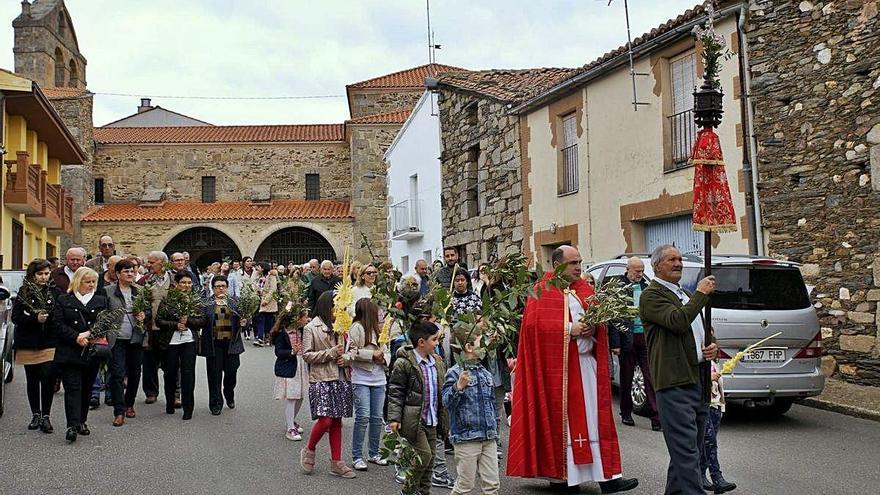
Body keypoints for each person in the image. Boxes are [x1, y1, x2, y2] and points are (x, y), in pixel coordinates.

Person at [507, 245, 637, 493]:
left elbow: (598, 321)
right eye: (573, 263)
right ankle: (563, 478)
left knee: (594, 421)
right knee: (564, 423)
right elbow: (534, 330)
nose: (579, 267)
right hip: (558, 371)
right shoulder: (541, 291)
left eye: (580, 262)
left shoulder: (585, 289)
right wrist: (569, 330)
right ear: (557, 266)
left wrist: (594, 328)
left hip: (587, 367)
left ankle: (607, 477)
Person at [639, 244, 719, 495]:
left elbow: (699, 327)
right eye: (672, 259)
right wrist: (701, 294)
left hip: (696, 378)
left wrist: (711, 346)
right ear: (656, 266)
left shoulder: (682, 293)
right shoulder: (652, 295)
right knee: (685, 451)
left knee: (688, 451)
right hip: (674, 382)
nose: (679, 263)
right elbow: (677, 321)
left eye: (680, 259)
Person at [387, 319, 448, 495]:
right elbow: (396, 391)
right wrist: (394, 418)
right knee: (424, 456)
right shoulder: (404, 362)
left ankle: (424, 491)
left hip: (432, 418)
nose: (437, 344)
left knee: (429, 462)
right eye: (434, 340)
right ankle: (407, 491)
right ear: (421, 342)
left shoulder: (437, 361)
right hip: (414, 420)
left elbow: (441, 388)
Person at [52, 267, 112, 443]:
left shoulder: (100, 300)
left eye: (93, 282)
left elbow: (105, 322)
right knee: (72, 388)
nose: (91, 285)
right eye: (88, 282)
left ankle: (82, 421)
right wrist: (76, 337)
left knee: (86, 388)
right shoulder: (64, 299)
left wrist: (87, 335)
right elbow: (58, 323)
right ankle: (71, 424)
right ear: (78, 281)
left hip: (91, 350)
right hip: (70, 350)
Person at [300, 291, 356, 479]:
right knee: (326, 420)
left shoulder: (344, 326)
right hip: (321, 378)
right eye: (336, 307)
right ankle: (309, 449)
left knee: (337, 421)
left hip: (341, 378)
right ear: (327, 306)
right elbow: (306, 355)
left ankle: (336, 462)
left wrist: (347, 358)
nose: (339, 310)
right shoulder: (311, 327)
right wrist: (330, 353)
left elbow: (353, 349)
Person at [442, 327, 500, 495]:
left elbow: (491, 404)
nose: (485, 346)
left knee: (492, 485)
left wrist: (494, 430)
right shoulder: (455, 372)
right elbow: (446, 402)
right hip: (466, 438)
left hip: (488, 437)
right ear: (468, 347)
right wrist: (457, 387)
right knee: (465, 485)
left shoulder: (485, 373)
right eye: (481, 342)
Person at [609, 257, 661, 431]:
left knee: (650, 377)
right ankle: (626, 412)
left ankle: (656, 417)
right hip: (627, 338)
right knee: (627, 376)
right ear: (628, 269)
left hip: (644, 337)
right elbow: (614, 317)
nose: (640, 274)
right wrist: (615, 343)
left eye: (641, 271)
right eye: (637, 271)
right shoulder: (618, 287)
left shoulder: (646, 287)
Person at [343, 298, 390, 471]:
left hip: (379, 377)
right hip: (361, 377)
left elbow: (388, 350)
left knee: (377, 418)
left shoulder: (381, 329)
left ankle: (374, 453)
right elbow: (351, 351)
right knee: (363, 417)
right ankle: (357, 456)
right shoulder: (357, 328)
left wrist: (383, 357)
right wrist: (372, 355)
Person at [12, 259, 57, 433]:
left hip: (49, 341)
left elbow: (60, 315)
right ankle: (35, 414)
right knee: (32, 379)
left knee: (47, 377)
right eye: (40, 274)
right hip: (28, 342)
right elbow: (16, 317)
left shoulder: (54, 292)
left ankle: (46, 415)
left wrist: (49, 319)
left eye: (46, 273)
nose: (44, 277)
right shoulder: (24, 292)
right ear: (32, 275)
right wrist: (34, 319)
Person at [106, 259, 148, 427]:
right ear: (117, 274)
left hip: (135, 338)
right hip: (117, 339)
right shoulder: (108, 291)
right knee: (117, 374)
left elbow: (148, 311)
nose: (130, 274)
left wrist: (144, 315)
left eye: (132, 271)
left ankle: (129, 403)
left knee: (135, 373)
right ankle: (119, 410)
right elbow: (103, 314)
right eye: (126, 271)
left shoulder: (140, 291)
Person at [155, 271, 202, 420]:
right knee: (170, 373)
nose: (186, 286)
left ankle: (188, 408)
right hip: (171, 342)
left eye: (189, 283)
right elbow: (159, 321)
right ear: (176, 284)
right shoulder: (168, 300)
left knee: (188, 374)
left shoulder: (195, 300)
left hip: (189, 342)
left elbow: (202, 321)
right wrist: (175, 325)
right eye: (183, 283)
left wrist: (188, 321)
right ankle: (170, 402)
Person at [200, 275, 246, 415]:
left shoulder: (234, 302)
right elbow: (201, 321)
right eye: (217, 286)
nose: (220, 289)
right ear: (213, 288)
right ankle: (215, 403)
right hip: (214, 344)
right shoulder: (206, 303)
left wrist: (244, 322)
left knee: (232, 372)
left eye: (223, 286)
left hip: (231, 344)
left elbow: (244, 318)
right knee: (214, 375)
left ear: (227, 288)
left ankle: (229, 392)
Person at [270, 307, 310, 441]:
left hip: (301, 366)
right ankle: (289, 428)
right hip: (289, 367)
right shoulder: (283, 333)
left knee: (300, 396)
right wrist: (292, 352)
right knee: (292, 397)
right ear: (296, 318)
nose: (307, 319)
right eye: (304, 316)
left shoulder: (303, 331)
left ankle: (292, 420)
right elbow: (278, 352)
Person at [139, 250, 171, 405]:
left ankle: (174, 392)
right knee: (150, 362)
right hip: (150, 328)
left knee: (172, 363)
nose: (148, 265)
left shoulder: (174, 280)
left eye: (152, 262)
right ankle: (151, 392)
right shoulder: (145, 280)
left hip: (169, 328)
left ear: (162, 263)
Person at [700, 361, 736, 493]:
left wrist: (721, 407)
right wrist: (708, 378)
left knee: (707, 443)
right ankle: (717, 477)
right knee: (710, 442)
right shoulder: (699, 362)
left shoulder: (714, 364)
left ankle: (701, 474)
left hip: (716, 407)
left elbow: (719, 387)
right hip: (704, 406)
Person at [254, 265, 278, 347]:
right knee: (263, 319)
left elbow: (273, 289)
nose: (257, 268)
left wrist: (266, 300)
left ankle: (266, 338)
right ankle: (263, 338)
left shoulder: (272, 276)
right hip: (262, 300)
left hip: (269, 302)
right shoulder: (260, 276)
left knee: (267, 320)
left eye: (258, 267)